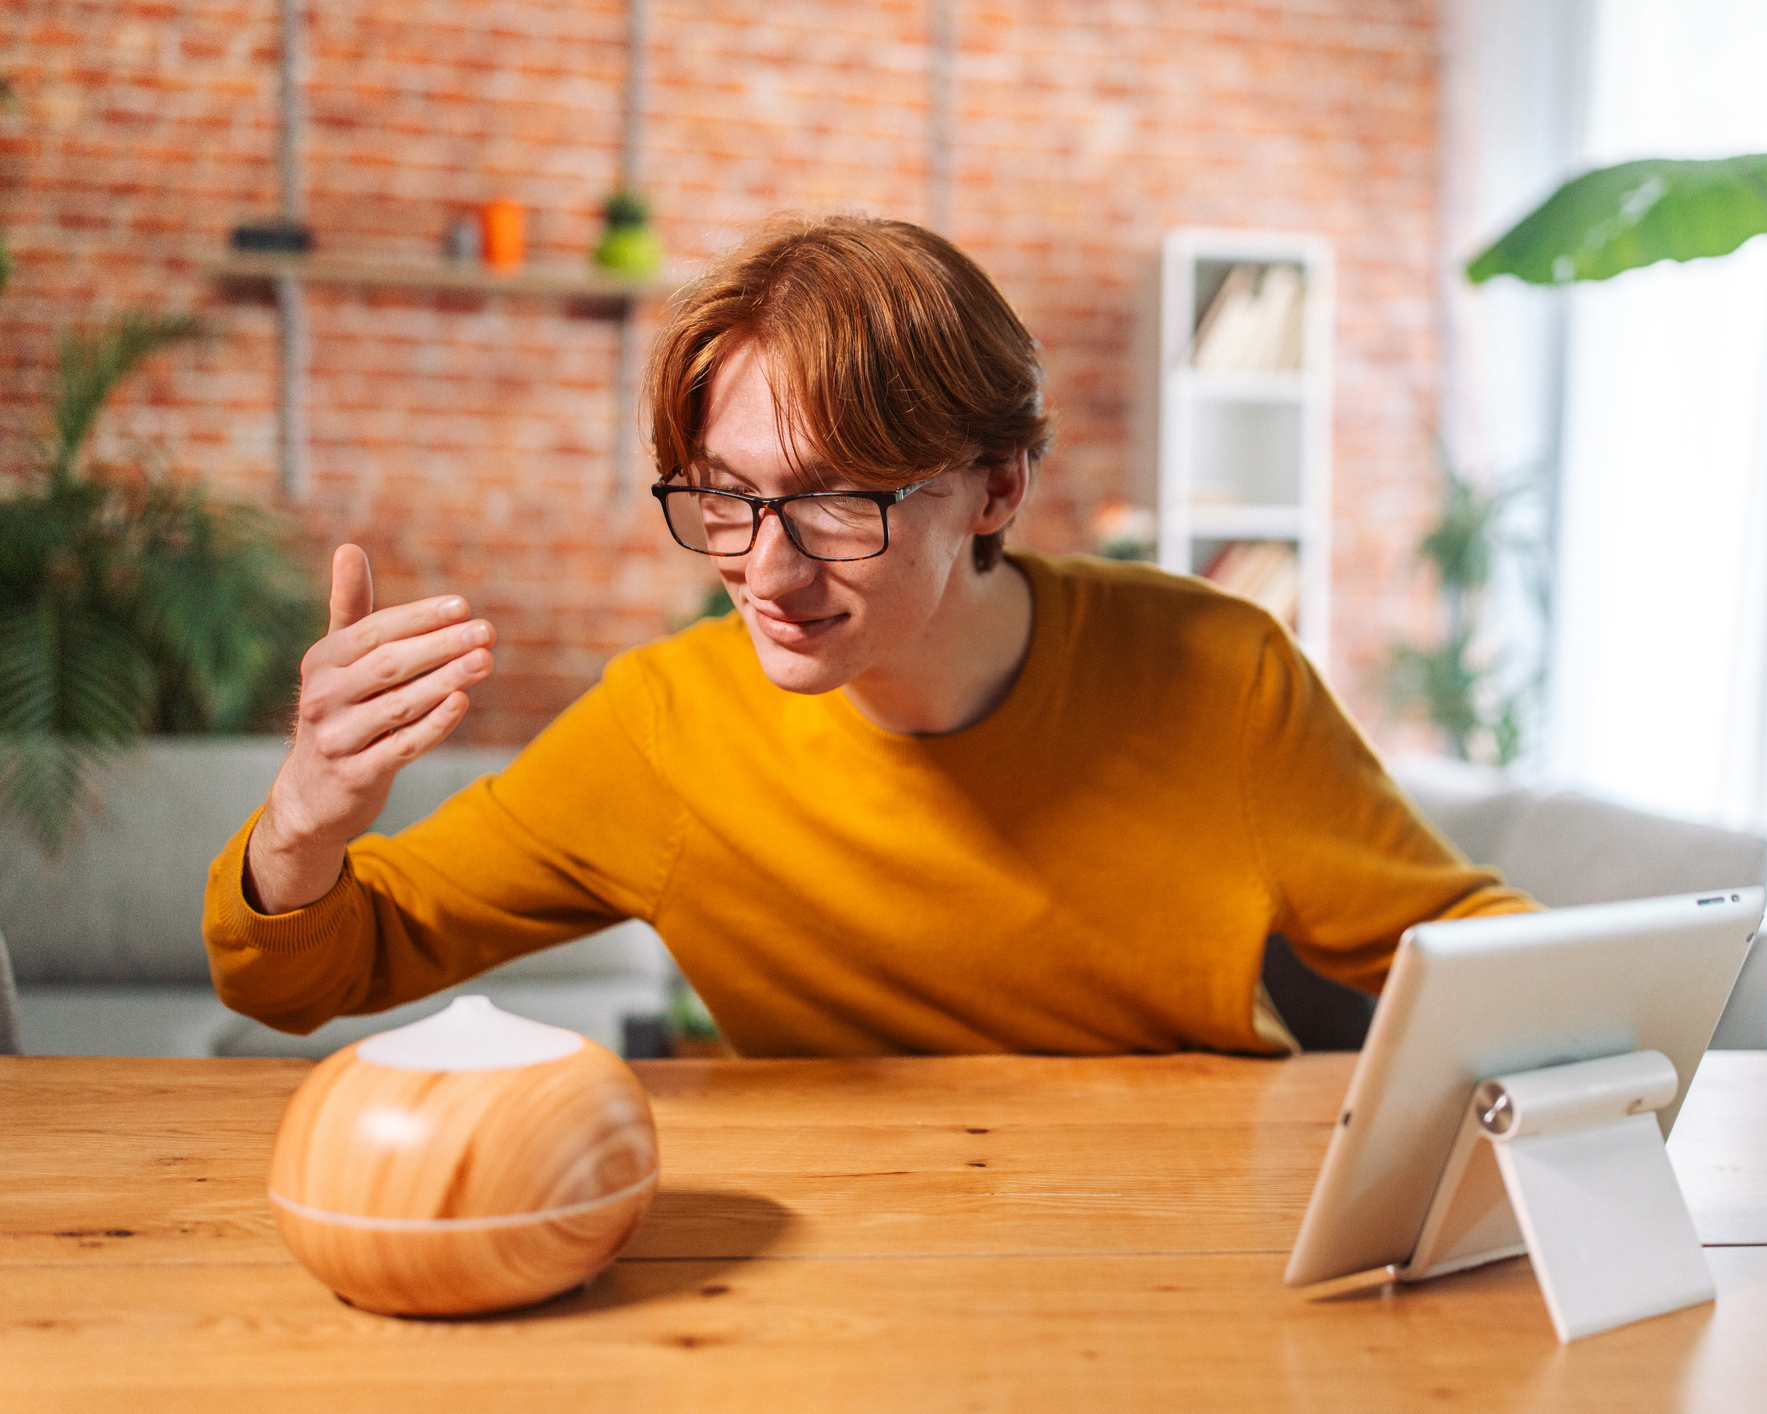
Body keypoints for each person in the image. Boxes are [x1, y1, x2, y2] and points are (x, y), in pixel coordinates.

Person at [203, 215, 1533, 1057]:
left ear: (997, 489)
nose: (766, 566)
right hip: (830, 1277)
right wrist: (309, 818)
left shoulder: (1218, 673)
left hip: (1177, 1252)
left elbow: (1474, 953)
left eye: (840, 500)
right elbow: (320, 970)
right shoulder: (666, 727)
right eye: (725, 494)